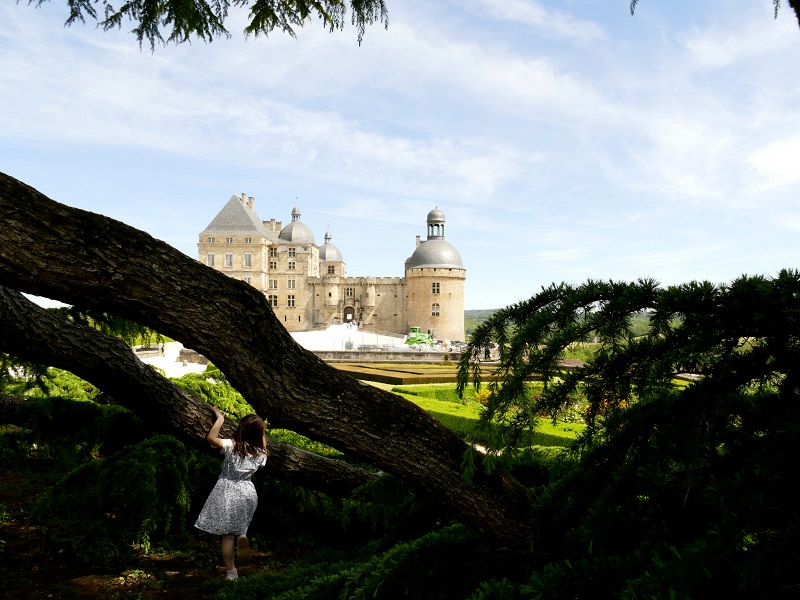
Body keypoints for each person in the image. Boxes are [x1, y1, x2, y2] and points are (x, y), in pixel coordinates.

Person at [194, 406, 268, 580]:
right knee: (241, 525)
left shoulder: (232, 445)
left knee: (228, 536)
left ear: (240, 429)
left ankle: (232, 572)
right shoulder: (261, 453)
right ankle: (242, 536)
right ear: (259, 434)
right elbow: (263, 443)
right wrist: (261, 433)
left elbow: (211, 438)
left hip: (228, 490)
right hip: (248, 492)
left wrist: (220, 419)